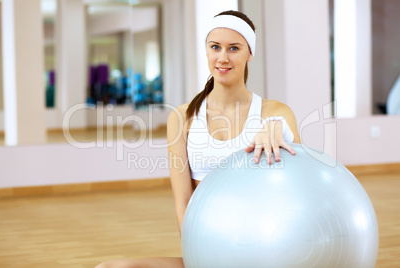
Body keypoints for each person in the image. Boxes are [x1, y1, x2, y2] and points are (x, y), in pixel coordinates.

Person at [96, 10, 300, 268]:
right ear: (206, 50)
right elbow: (182, 201)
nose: (223, 58)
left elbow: (297, 195)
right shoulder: (182, 118)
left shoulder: (276, 114)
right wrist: (197, 256)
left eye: (234, 48)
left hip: (262, 247)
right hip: (207, 248)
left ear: (250, 53)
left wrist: (279, 131)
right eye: (215, 47)